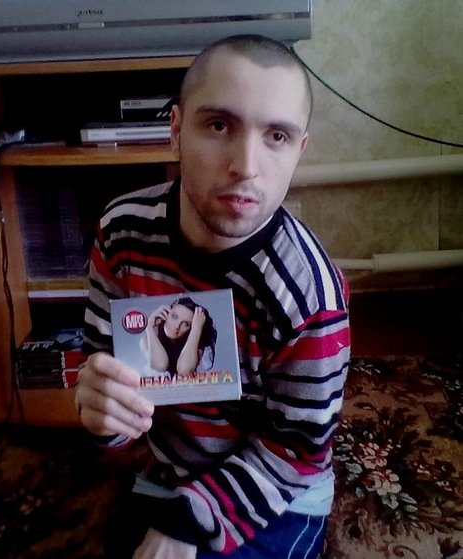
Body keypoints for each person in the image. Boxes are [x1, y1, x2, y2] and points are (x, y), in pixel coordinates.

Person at [75, 34, 350, 559]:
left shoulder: (310, 294)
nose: (245, 166)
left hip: (280, 493)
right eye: (219, 125)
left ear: (299, 150)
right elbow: (107, 368)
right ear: (176, 129)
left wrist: (187, 524)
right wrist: (102, 411)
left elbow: (298, 451)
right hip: (171, 470)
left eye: (276, 136)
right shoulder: (121, 233)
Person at [141, 297, 217, 379]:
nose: (177, 326)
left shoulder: (197, 344)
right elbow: (160, 365)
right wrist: (149, 326)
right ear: (166, 313)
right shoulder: (150, 337)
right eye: (174, 317)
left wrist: (196, 329)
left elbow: (184, 371)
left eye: (186, 324)